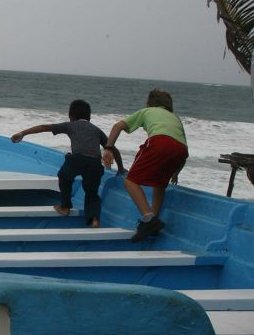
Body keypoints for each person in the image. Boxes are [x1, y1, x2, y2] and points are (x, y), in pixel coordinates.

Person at [12, 99, 123, 228]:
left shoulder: (70, 125)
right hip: (95, 163)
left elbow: (44, 127)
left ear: (71, 117)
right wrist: (120, 168)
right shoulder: (96, 130)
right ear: (89, 117)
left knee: (64, 177)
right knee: (92, 193)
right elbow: (112, 148)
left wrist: (23, 133)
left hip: (77, 159)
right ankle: (95, 220)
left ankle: (65, 207)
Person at [102, 89, 188, 242]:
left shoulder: (147, 111)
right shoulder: (176, 117)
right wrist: (175, 172)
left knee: (130, 181)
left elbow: (118, 126)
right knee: (160, 184)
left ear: (149, 103)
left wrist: (108, 148)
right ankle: (153, 220)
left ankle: (149, 219)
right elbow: (182, 147)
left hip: (159, 142)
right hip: (181, 151)